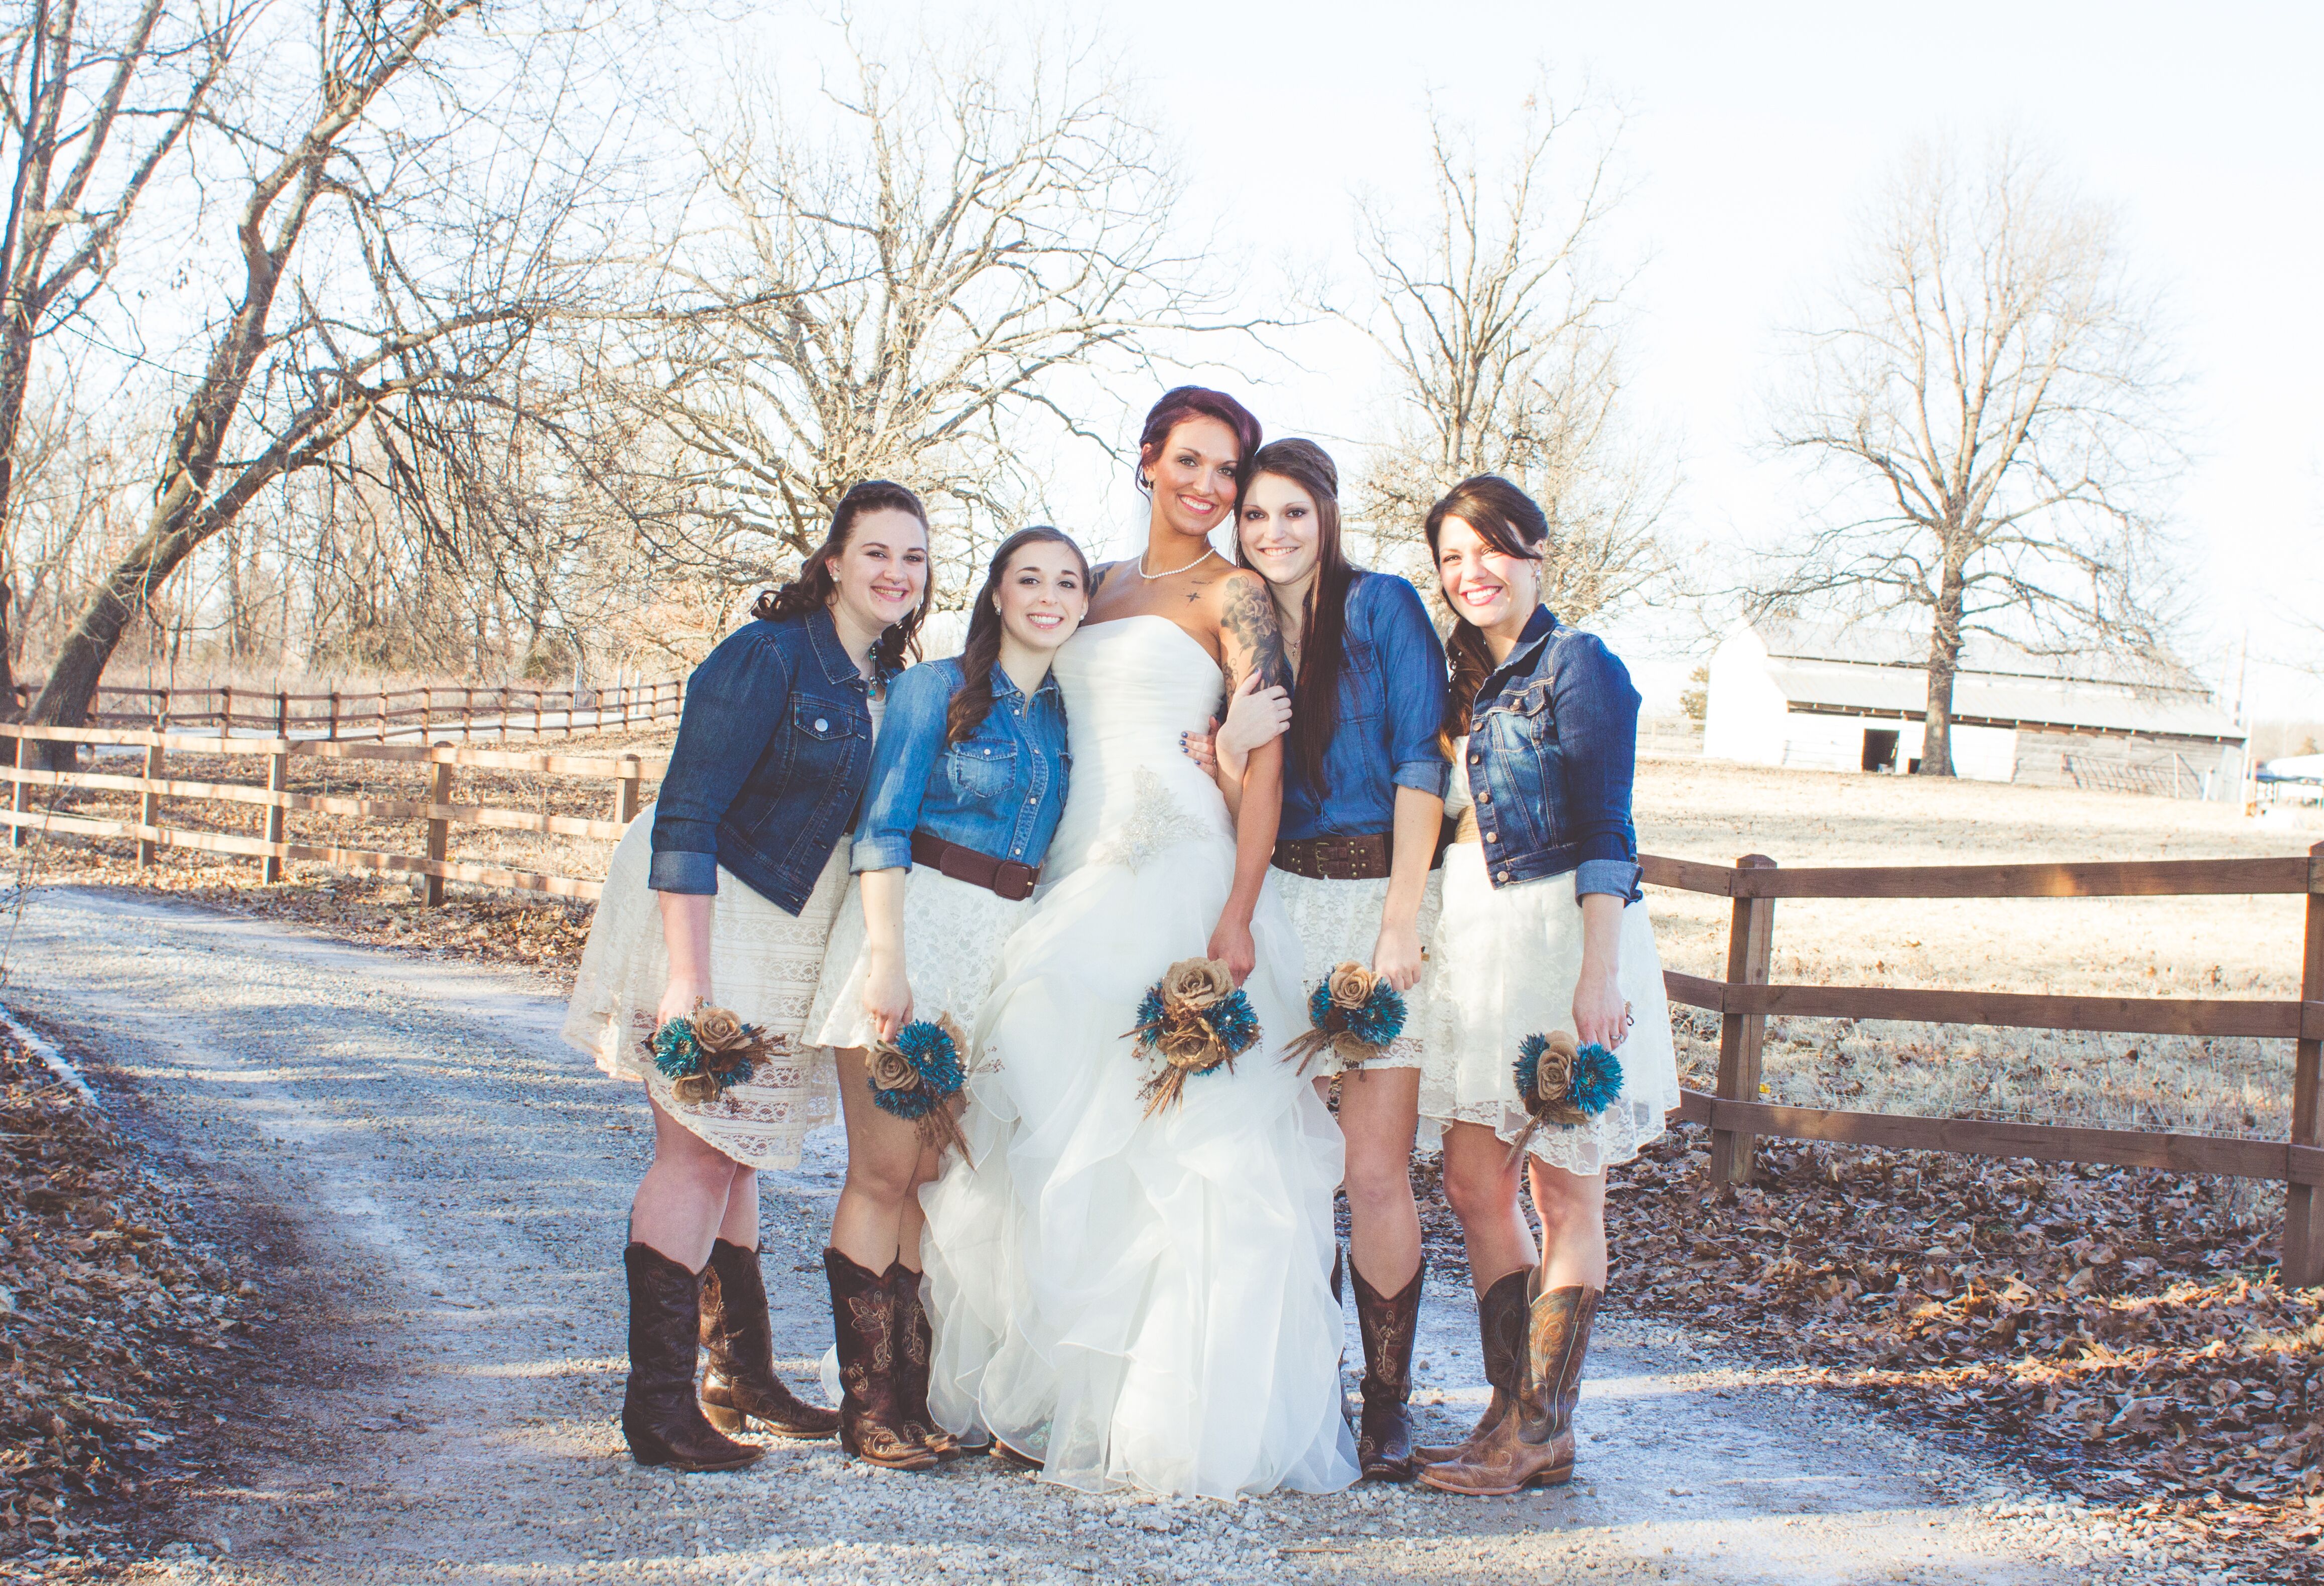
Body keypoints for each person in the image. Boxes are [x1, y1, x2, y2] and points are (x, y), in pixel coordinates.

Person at [917, 387, 1359, 1497]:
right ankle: (1049, 1389)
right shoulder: (1093, 584)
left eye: (1230, 471)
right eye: (1193, 462)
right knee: (1045, 1096)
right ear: (1148, 459)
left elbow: (1259, 761)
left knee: (1174, 1141)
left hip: (1180, 870)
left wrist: (1238, 908)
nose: (1211, 488)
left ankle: (1157, 1410)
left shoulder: (1238, 591)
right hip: (1072, 865)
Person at [562, 480, 932, 1472]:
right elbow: (685, 813)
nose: (895, 572)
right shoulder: (765, 655)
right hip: (706, 917)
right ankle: (659, 1407)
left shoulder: (883, 679)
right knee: (695, 1154)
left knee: (738, 1149)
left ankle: (744, 1374)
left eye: (913, 557)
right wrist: (689, 979)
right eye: (876, 552)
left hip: (788, 931)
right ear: (833, 561)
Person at [1403, 474, 1678, 1496]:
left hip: (1563, 939)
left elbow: (1610, 827)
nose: (1473, 573)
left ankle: (1543, 1428)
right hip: (1478, 938)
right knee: (1476, 1180)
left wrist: (1598, 973)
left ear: (1535, 553)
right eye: (1453, 559)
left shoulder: (1582, 666)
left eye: (1492, 550)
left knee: (1565, 1190)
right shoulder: (1453, 684)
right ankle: (1507, 1404)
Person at [1180, 439, 1449, 1481]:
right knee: (1284, 1167)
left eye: (1293, 513)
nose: (1272, 534)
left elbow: (1422, 759)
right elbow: (1240, 794)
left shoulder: (1382, 609)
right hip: (1280, 898)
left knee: (1375, 1169)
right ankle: (1305, 1387)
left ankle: (1388, 1403)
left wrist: (1401, 917)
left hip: (1372, 897)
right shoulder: (1243, 634)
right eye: (1254, 516)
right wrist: (1232, 749)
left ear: (1327, 515)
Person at [801, 526, 1088, 1469]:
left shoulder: (1066, 717)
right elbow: (882, 829)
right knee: (882, 1171)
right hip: (917, 929)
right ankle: (866, 1403)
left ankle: (914, 1397)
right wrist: (887, 958)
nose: (1049, 597)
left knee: (930, 1175)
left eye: (1068, 583)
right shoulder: (934, 690)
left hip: (1001, 951)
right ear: (997, 594)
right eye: (1029, 579)